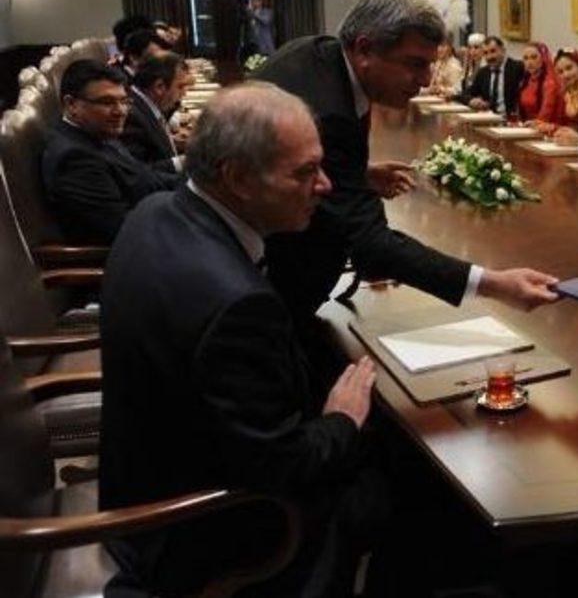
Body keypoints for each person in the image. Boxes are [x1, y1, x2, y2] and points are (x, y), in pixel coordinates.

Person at [100, 82, 386, 596]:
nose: (324, 185)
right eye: (304, 173)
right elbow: (282, 466)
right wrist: (342, 418)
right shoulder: (236, 305)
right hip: (198, 525)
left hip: (144, 468)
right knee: (394, 485)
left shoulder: (155, 210)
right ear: (237, 178)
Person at [252, 0, 558, 383]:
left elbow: (281, 158)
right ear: (365, 49)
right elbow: (371, 245)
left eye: (430, 65)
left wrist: (356, 175)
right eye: (415, 64)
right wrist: (495, 284)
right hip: (273, 292)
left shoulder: (318, 52)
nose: (426, 79)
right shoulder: (328, 114)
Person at [40, 59, 179, 245]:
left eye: (124, 101)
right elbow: (123, 229)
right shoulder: (74, 160)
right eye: (107, 102)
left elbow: (144, 176)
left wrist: (196, 183)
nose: (120, 111)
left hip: (161, 212)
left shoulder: (96, 132)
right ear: (71, 104)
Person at [121, 52, 188, 170]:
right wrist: (183, 162)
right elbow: (137, 172)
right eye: (180, 86)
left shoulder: (144, 104)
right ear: (159, 87)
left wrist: (173, 142)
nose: (184, 93)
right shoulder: (132, 117)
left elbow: (152, 147)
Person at [532, 47, 578, 134]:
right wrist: (540, 124)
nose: (566, 75)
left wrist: (553, 128)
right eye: (560, 72)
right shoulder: (565, 91)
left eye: (569, 68)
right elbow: (558, 122)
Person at [462, 35, 523, 115]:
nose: (489, 57)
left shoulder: (517, 68)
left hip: (510, 118)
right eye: (485, 53)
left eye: (493, 51)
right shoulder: (483, 72)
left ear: (503, 50)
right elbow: (466, 94)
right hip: (489, 117)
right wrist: (471, 100)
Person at [515, 41, 558, 122]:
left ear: (543, 58)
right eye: (526, 58)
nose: (529, 62)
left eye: (534, 57)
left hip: (543, 124)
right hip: (526, 124)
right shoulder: (525, 81)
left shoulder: (550, 82)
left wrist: (534, 124)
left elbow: (546, 114)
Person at [458, 32, 486, 98]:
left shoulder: (486, 67)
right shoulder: (469, 65)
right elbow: (459, 86)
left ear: (484, 49)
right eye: (470, 48)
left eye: (476, 47)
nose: (472, 51)